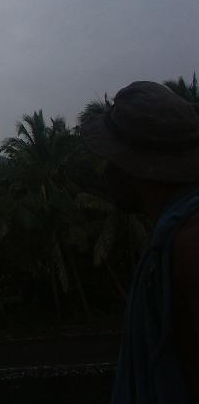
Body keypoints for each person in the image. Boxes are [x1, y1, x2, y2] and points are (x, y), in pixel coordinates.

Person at [82, 80, 199, 403]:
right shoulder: (174, 237)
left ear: (132, 164)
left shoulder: (190, 246)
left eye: (110, 156)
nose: (105, 170)